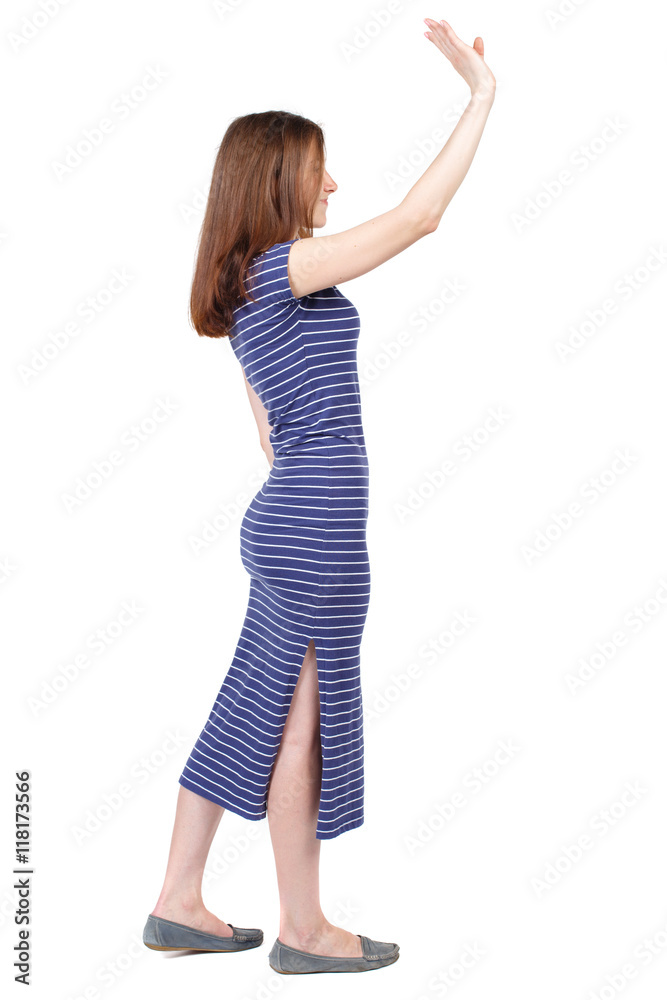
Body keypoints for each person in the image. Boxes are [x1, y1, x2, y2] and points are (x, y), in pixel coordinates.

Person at [142, 17, 496, 976]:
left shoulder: (247, 283)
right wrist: (479, 97)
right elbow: (420, 219)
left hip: (295, 521)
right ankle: (302, 930)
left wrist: (299, 469)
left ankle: (180, 901)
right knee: (299, 718)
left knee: (256, 703)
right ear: (277, 181)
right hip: (311, 532)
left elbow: (265, 426)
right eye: (321, 170)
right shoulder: (285, 269)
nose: (333, 186)